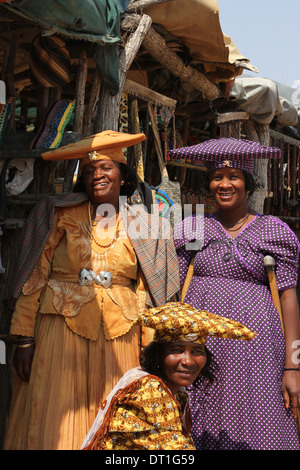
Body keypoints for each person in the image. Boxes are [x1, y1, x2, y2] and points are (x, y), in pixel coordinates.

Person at [3, 130, 180, 450]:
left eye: (106, 168)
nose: (97, 176)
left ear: (123, 176)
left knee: (114, 415)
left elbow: (147, 290)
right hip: (59, 332)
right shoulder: (57, 214)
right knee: (56, 413)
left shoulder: (145, 223)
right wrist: (24, 338)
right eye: (89, 171)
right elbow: (34, 278)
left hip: (121, 338)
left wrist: (149, 342)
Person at [170, 137, 300, 450]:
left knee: (261, 416)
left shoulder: (272, 230)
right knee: (200, 415)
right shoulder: (193, 229)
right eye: (217, 178)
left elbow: (288, 298)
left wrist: (294, 365)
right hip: (201, 344)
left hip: (257, 349)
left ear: (248, 185)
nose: (224, 184)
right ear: (209, 184)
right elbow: (173, 286)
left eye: (233, 177)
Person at [81, 301, 256, 450]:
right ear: (158, 355)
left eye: (197, 351)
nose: (188, 361)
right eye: (177, 350)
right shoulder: (149, 389)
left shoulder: (176, 393)